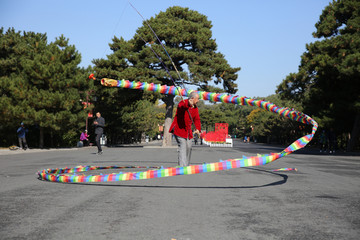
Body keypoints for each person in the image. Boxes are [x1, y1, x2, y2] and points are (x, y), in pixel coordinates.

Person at [169, 91, 201, 167]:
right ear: (192, 98)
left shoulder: (195, 108)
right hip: (179, 130)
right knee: (182, 146)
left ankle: (186, 164)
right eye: (197, 99)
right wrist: (188, 104)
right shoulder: (182, 103)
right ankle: (182, 167)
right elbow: (182, 107)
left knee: (189, 147)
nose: (198, 100)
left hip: (188, 132)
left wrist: (197, 129)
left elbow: (197, 119)